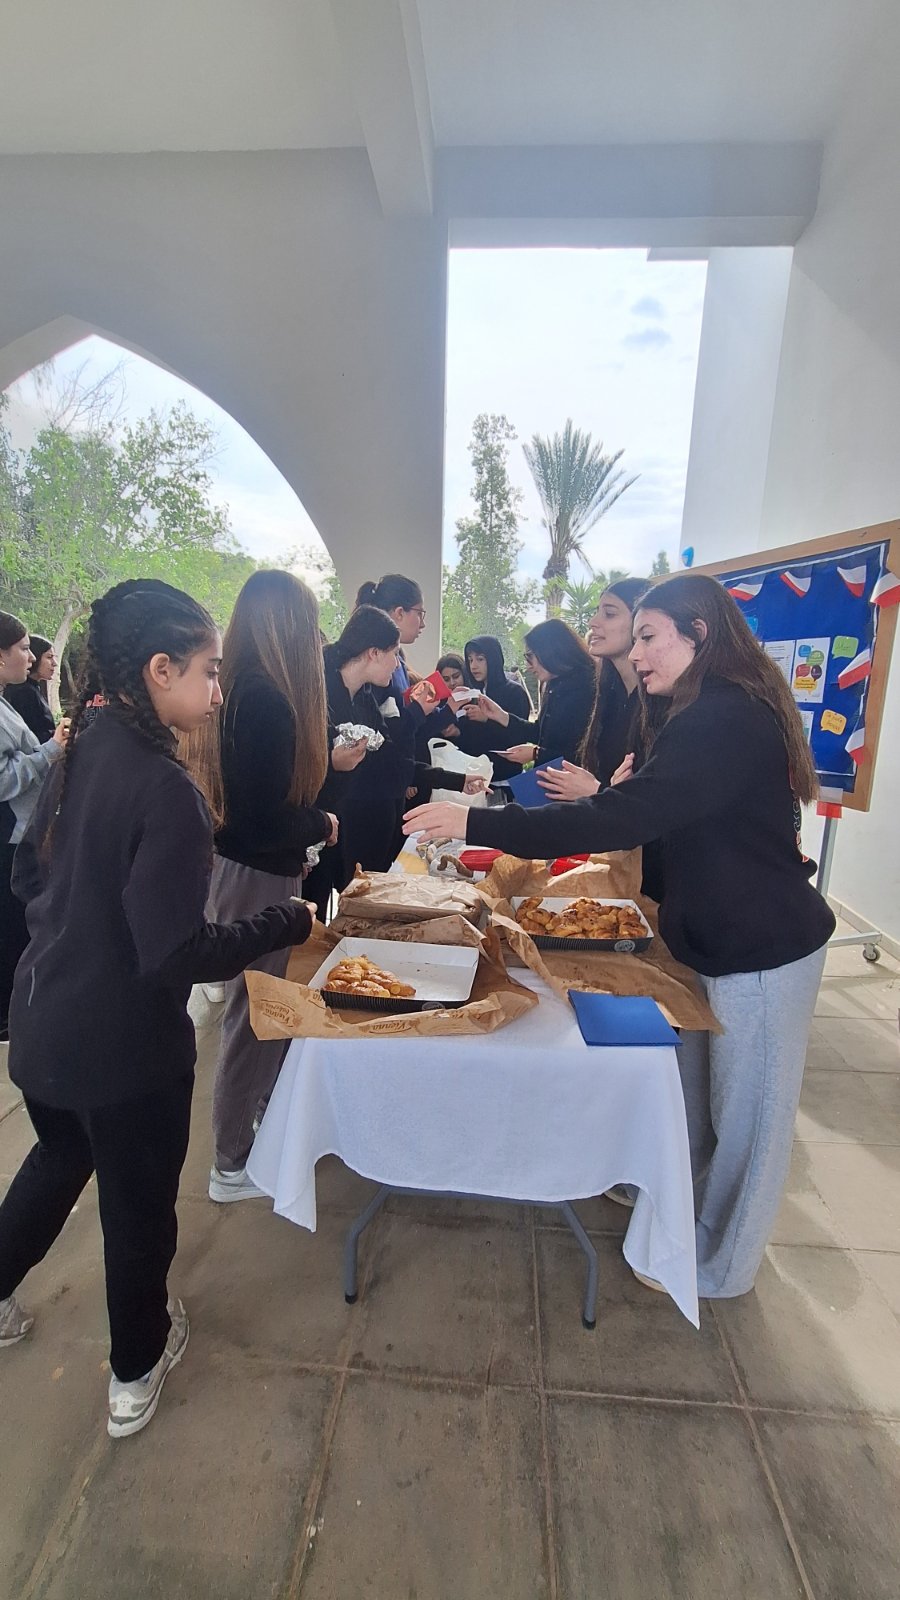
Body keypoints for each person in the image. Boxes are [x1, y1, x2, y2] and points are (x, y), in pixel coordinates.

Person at [404, 573, 836, 1302]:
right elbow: (652, 816)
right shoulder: (696, 710)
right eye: (633, 638)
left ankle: (719, 1266)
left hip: (763, 947)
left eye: (648, 636)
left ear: (699, 634)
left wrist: (478, 822)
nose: (636, 653)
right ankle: (678, 1219)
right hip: (710, 938)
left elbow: (622, 819)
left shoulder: (723, 715)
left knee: (749, 1124)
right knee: (696, 1101)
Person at [0, 579, 316, 1439]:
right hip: (126, 1048)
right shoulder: (166, 790)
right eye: (209, 672)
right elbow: (177, 954)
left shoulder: (77, 754)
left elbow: (28, 877)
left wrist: (78, 929)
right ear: (159, 670)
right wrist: (283, 921)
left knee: (58, 1158)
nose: (218, 693)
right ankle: (136, 1369)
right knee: (137, 1210)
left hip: (44, 1024)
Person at [203, 570, 335, 1204]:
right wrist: (319, 823)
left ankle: (254, 1126)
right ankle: (230, 1163)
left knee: (261, 1010)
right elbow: (259, 820)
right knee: (254, 1016)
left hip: (250, 871)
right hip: (253, 875)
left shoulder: (241, 689)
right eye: (309, 623)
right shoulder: (264, 700)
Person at [0, 614, 67, 1040]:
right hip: (9, 838)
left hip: (22, 832)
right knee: (11, 931)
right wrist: (51, 750)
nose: (31, 657)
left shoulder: (7, 700)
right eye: (24, 648)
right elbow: (4, 780)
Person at [537, 577, 649, 801]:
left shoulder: (661, 703)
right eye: (597, 612)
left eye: (609, 614)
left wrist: (596, 792)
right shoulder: (609, 694)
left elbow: (655, 805)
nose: (592, 622)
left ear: (641, 623)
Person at [461, 618, 596, 769]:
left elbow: (582, 754)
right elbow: (539, 732)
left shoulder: (587, 688)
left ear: (550, 651)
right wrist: (501, 716)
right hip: (548, 777)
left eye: (530, 656)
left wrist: (536, 753)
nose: (528, 666)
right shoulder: (554, 685)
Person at [455, 634, 533, 782]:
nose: (473, 666)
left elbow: (519, 738)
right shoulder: (472, 693)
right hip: (474, 777)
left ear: (493, 659)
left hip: (505, 778)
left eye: (480, 659)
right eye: (470, 660)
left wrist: (486, 719)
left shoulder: (515, 692)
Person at [5, 634, 57, 744]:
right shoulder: (23, 692)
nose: (54, 663)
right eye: (49, 657)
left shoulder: (33, 688)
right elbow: (34, 735)